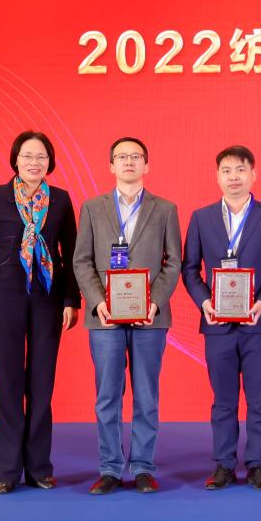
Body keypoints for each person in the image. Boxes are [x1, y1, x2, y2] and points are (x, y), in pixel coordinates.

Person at [0, 131, 80, 494]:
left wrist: (71, 300)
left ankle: (38, 468)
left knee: (41, 383)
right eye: (28, 156)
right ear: (15, 160)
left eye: (41, 157)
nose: (35, 162)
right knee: (7, 384)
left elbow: (72, 254)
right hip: (5, 296)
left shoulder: (61, 199)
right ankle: (6, 471)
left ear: (50, 162)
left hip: (48, 297)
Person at [73, 137, 181, 495]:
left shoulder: (165, 209)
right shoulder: (92, 207)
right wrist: (97, 301)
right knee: (107, 395)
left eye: (136, 156)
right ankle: (110, 468)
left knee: (146, 395)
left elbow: (173, 262)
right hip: (105, 317)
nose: (129, 162)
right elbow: (81, 261)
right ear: (111, 165)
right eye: (122, 157)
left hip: (150, 317)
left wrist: (156, 302)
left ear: (146, 165)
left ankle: (143, 467)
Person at [181, 145, 261, 490]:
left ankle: (258, 464)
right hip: (217, 324)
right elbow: (189, 269)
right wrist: (205, 303)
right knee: (223, 400)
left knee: (259, 398)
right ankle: (224, 465)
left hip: (259, 323)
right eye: (226, 171)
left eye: (241, 170)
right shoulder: (201, 218)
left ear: (253, 175)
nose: (234, 177)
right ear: (217, 176)